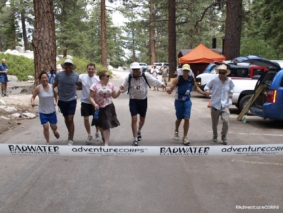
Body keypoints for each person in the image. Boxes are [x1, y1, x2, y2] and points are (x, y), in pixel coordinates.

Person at [120, 62, 166, 146]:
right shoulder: (129, 77)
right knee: (134, 119)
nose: (135, 71)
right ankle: (135, 139)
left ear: (139, 69)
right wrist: (121, 89)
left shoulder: (145, 76)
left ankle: (139, 131)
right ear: (132, 70)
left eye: (137, 69)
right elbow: (123, 87)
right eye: (134, 69)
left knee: (142, 119)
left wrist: (164, 85)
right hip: (133, 100)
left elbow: (154, 81)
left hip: (143, 100)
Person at [166, 64, 206, 146]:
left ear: (189, 71)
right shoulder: (178, 79)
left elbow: (195, 87)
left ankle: (185, 137)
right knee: (179, 118)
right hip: (179, 101)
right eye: (184, 70)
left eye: (187, 71)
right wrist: (169, 90)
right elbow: (171, 88)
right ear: (182, 71)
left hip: (187, 100)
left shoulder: (191, 79)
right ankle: (176, 130)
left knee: (187, 118)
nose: (185, 72)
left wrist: (203, 93)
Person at [204, 64, 234, 145]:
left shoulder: (229, 81)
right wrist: (207, 90)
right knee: (214, 123)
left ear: (226, 73)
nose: (221, 74)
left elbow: (232, 87)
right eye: (220, 73)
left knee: (226, 121)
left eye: (223, 73)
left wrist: (231, 93)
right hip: (215, 104)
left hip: (225, 104)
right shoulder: (214, 80)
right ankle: (215, 135)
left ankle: (224, 136)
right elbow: (207, 86)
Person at [89, 70, 121, 146]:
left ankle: (106, 143)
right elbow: (90, 97)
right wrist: (94, 104)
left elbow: (114, 96)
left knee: (107, 124)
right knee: (100, 124)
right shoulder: (95, 86)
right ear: (102, 77)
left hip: (108, 106)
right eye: (107, 76)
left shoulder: (111, 85)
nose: (108, 77)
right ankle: (103, 135)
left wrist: (119, 91)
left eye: (109, 76)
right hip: (98, 107)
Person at [53, 59, 79, 146]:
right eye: (66, 65)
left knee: (70, 118)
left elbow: (80, 85)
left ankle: (71, 140)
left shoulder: (76, 75)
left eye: (69, 65)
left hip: (72, 99)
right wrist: (50, 93)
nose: (68, 66)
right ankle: (69, 131)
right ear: (64, 66)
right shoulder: (59, 75)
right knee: (66, 118)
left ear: (72, 66)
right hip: (62, 100)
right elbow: (54, 84)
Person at [31, 71, 60, 145]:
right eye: (42, 78)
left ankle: (54, 131)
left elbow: (56, 95)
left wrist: (57, 102)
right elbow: (33, 97)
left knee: (54, 127)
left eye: (45, 78)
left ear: (48, 78)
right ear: (40, 79)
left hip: (51, 110)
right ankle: (48, 142)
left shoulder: (52, 86)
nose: (44, 79)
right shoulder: (38, 88)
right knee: (46, 127)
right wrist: (32, 102)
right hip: (42, 111)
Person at [78, 63, 101, 144]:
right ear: (87, 69)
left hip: (95, 102)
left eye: (92, 69)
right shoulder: (82, 77)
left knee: (96, 118)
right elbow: (75, 81)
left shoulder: (97, 79)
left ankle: (97, 133)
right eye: (89, 69)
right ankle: (89, 134)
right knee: (86, 119)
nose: (91, 70)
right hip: (85, 101)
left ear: (94, 69)